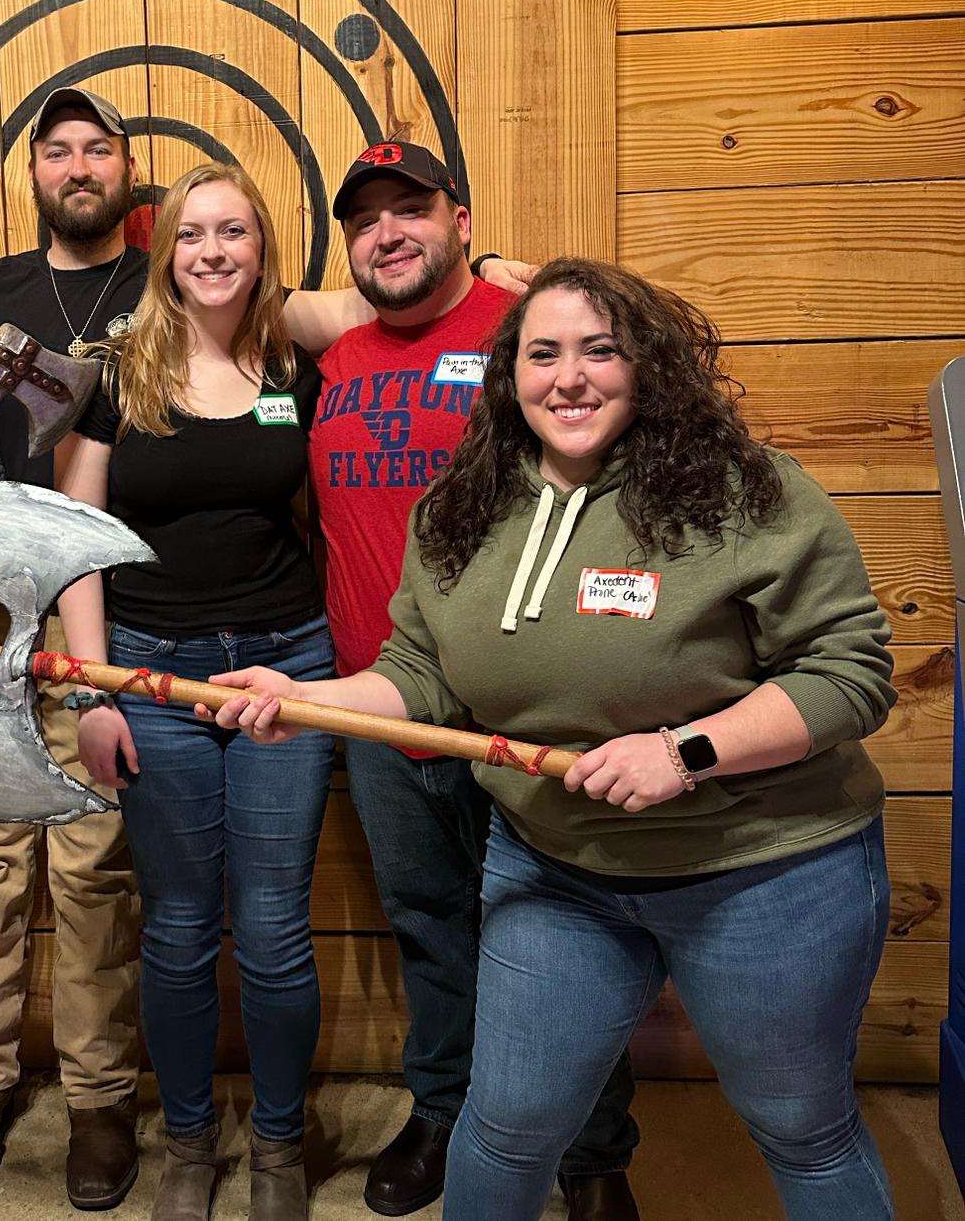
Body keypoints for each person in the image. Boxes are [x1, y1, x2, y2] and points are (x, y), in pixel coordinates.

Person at [0, 85, 535, 1208]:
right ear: (47, 179)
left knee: (169, 903)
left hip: (234, 649)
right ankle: (33, 1104)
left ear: (133, 181)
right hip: (33, 639)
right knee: (16, 880)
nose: (80, 166)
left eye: (100, 150)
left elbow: (388, 290)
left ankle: (178, 1124)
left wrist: (514, 277)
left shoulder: (254, 323)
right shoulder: (1, 309)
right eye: (59, 151)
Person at [214, 257, 898, 1221]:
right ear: (511, 375)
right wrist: (308, 698)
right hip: (557, 868)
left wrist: (684, 752)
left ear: (647, 365)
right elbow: (421, 673)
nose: (568, 377)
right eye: (542, 354)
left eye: (598, 350)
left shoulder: (749, 492)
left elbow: (849, 675)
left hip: (764, 869)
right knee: (507, 1126)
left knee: (801, 1125)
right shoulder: (458, 509)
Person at [306, 145, 638, 1220]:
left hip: (516, 701)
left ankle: (593, 1154)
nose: (389, 233)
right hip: (380, 701)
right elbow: (213, 289)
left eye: (413, 210)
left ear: (460, 216)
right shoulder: (341, 351)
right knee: (429, 922)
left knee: (569, 931)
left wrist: (516, 272)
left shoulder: (522, 335)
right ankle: (443, 1110)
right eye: (366, 221)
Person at [56, 163, 335, 1221]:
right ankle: (186, 1142)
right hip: (153, 671)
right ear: (165, 250)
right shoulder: (114, 372)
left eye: (236, 232)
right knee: (176, 930)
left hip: (289, 665)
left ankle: (275, 1144)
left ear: (263, 247)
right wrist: (92, 694)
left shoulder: (295, 362)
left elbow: (391, 306)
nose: (214, 251)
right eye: (193, 234)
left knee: (273, 931)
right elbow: (74, 544)